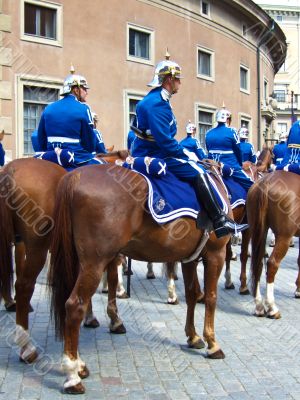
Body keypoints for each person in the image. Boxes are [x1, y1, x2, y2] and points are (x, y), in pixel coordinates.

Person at [131, 55, 247, 238]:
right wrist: (186, 154)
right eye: (178, 79)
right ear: (169, 79)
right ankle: (219, 220)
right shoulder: (158, 104)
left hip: (147, 150)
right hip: (158, 153)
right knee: (200, 172)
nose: (179, 83)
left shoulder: (151, 99)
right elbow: (165, 142)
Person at [36, 70, 101, 167]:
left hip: (50, 156)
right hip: (76, 156)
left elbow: (41, 137)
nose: (86, 92)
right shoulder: (84, 108)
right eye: (84, 89)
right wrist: (90, 151)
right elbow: (89, 143)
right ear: (76, 90)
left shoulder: (48, 107)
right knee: (102, 166)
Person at [206, 109, 254, 191]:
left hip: (212, 166)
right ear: (227, 120)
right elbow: (238, 150)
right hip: (230, 165)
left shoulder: (208, 133)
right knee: (252, 185)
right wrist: (240, 163)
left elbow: (208, 148)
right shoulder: (232, 131)